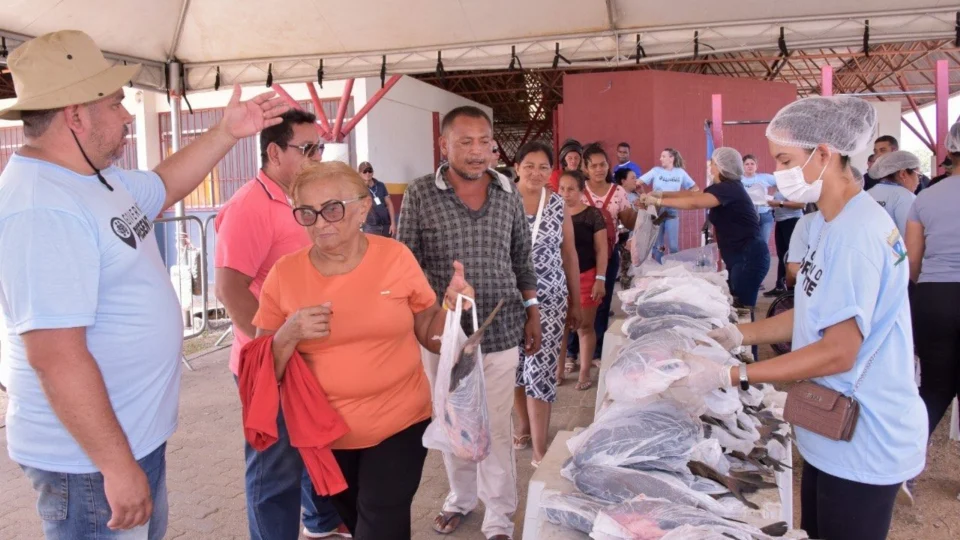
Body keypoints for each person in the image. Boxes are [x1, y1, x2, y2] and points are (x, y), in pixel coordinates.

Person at [0, 30, 288, 539]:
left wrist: (226, 132)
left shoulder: (92, 178)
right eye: (116, 104)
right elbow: (55, 355)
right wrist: (115, 465)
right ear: (75, 114)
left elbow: (164, 186)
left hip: (125, 441)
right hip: (88, 462)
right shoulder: (41, 206)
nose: (128, 116)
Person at [699, 96, 927, 540]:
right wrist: (732, 334)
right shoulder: (829, 222)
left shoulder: (857, 235)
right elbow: (810, 311)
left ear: (824, 153)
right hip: (831, 429)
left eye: (785, 159)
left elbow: (838, 351)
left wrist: (735, 373)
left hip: (865, 434)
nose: (779, 170)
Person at [251, 160, 474, 539]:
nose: (322, 222)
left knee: (380, 520)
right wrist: (288, 334)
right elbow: (260, 368)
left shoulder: (395, 258)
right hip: (324, 435)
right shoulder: (284, 274)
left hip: (400, 422)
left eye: (333, 209)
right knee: (357, 521)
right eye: (308, 213)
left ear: (362, 208)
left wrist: (455, 313)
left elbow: (427, 328)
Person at [397, 106, 541, 540]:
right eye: (465, 142)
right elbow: (404, 262)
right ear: (444, 145)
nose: (478, 152)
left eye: (484, 141)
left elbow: (522, 256)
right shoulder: (421, 193)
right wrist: (438, 302)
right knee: (454, 422)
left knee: (495, 426)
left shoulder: (507, 191)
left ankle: (499, 516)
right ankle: (460, 499)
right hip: (444, 337)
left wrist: (532, 311)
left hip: (501, 329)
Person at [213, 110, 349, 539]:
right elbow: (230, 288)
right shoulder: (249, 206)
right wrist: (267, 350)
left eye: (319, 148)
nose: (316, 156)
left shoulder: (302, 199)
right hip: (272, 360)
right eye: (306, 148)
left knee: (311, 443)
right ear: (273, 152)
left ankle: (322, 521)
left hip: (308, 355)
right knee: (273, 471)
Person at [510, 141, 581, 468]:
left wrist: (576, 300)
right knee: (513, 368)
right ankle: (522, 425)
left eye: (543, 167)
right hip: (508, 299)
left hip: (551, 298)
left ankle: (540, 447)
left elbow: (569, 254)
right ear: (517, 167)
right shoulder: (501, 201)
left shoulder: (557, 204)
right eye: (529, 166)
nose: (536, 173)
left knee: (539, 369)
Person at [639, 147, 770, 309]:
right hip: (739, 257)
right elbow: (694, 195)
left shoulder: (729, 188)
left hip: (749, 258)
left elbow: (695, 203)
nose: (710, 167)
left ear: (722, 167)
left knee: (742, 308)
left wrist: (658, 202)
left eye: (713, 164)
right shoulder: (724, 188)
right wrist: (660, 194)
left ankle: (747, 334)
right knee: (735, 304)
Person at [905, 121, 960, 443]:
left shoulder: (925, 198)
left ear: (950, 150)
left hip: (933, 298)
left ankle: (906, 467)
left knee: (935, 388)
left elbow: (912, 261)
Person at [580, 143, 638, 364]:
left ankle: (597, 352)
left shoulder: (618, 192)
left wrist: (639, 210)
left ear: (608, 165)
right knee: (578, 301)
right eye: (593, 165)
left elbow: (628, 221)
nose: (598, 169)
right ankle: (575, 351)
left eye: (602, 164)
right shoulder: (578, 190)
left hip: (609, 254)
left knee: (602, 302)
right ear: (585, 168)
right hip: (580, 256)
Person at [555, 170, 608, 391]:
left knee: (584, 327)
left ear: (581, 190)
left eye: (571, 189)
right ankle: (556, 372)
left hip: (587, 277)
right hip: (557, 279)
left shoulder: (592, 215)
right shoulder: (552, 213)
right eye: (562, 188)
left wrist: (600, 279)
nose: (565, 194)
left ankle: (584, 372)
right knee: (560, 329)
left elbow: (602, 249)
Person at [638, 148, 699, 262]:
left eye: (663, 156)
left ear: (672, 158)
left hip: (672, 210)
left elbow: (695, 189)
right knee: (658, 245)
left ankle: (673, 270)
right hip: (657, 210)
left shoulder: (680, 172)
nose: (660, 159)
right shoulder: (656, 171)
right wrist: (644, 196)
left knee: (674, 246)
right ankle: (659, 270)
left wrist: (682, 197)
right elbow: (638, 183)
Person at [866, 150, 920, 237]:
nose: (918, 181)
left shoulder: (867, 194)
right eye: (918, 175)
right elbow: (911, 239)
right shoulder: (907, 197)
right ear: (903, 174)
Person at [763, 190, 806, 296]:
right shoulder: (781, 185)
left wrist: (780, 203)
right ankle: (780, 286)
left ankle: (790, 287)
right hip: (781, 220)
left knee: (790, 255)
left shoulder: (793, 185)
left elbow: (801, 204)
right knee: (782, 254)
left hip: (792, 221)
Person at [741, 154, 778, 245]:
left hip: (764, 215)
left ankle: (762, 259)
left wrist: (774, 197)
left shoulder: (764, 177)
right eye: (747, 164)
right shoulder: (739, 180)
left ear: (756, 166)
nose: (750, 166)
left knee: (763, 244)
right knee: (748, 243)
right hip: (746, 215)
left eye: (752, 164)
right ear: (742, 166)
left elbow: (782, 184)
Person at [359, 161, 396, 237]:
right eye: (365, 171)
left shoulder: (381, 185)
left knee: (388, 248)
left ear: (373, 172)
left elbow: (389, 204)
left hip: (386, 225)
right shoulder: (359, 188)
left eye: (370, 171)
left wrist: (393, 223)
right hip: (371, 227)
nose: (368, 173)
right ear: (360, 174)